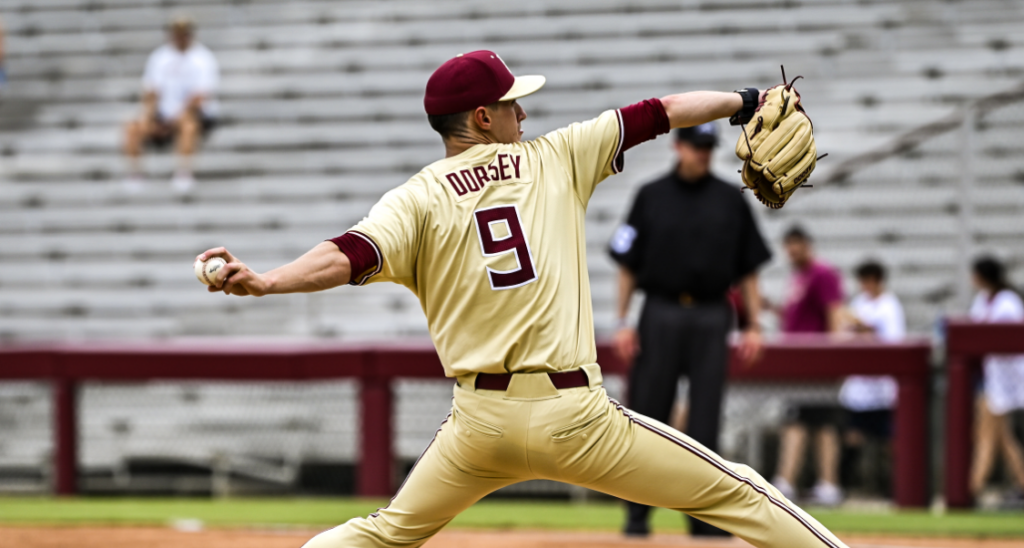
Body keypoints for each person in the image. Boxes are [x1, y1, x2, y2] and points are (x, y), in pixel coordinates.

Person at [196, 50, 848, 548]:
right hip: (575, 418)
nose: (523, 114)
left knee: (385, 533)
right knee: (740, 493)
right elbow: (663, 111)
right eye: (512, 104)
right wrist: (747, 99)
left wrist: (266, 281)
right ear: (482, 117)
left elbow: (348, 254)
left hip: (477, 429)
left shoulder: (415, 197)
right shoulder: (553, 156)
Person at [608, 122, 771, 538]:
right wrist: (623, 322)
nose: (703, 153)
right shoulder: (651, 196)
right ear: (678, 146)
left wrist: (753, 324)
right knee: (647, 418)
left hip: (711, 314)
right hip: (659, 311)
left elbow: (748, 269)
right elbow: (627, 264)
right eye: (696, 146)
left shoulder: (729, 200)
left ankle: (704, 520)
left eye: (708, 147)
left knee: (705, 422)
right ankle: (637, 516)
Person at [771, 226, 846, 506]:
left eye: (795, 245)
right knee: (815, 421)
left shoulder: (822, 274)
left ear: (806, 245)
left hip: (814, 361)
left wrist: (834, 356)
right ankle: (824, 483)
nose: (791, 251)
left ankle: (789, 480)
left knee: (802, 421)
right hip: (799, 361)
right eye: (788, 246)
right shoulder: (798, 277)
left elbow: (834, 313)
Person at [123, 16, 219, 193]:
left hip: (194, 113)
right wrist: (150, 117)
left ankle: (184, 172)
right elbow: (152, 92)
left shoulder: (203, 58)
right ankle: (135, 173)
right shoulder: (160, 57)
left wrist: (173, 120)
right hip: (164, 114)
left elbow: (199, 97)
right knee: (132, 127)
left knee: (188, 125)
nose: (180, 38)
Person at [837, 261, 905, 494]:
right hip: (860, 388)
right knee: (853, 437)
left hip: (883, 389)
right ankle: (845, 486)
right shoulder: (859, 304)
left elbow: (893, 342)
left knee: (891, 442)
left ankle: (894, 488)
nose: (864, 286)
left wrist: (866, 330)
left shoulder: (889, 306)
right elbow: (845, 336)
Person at [968, 256, 1024, 505]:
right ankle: (1021, 482)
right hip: (987, 374)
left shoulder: (1008, 303)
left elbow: (1003, 339)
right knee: (1001, 435)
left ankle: (972, 488)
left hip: (1005, 375)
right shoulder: (982, 300)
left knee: (987, 435)